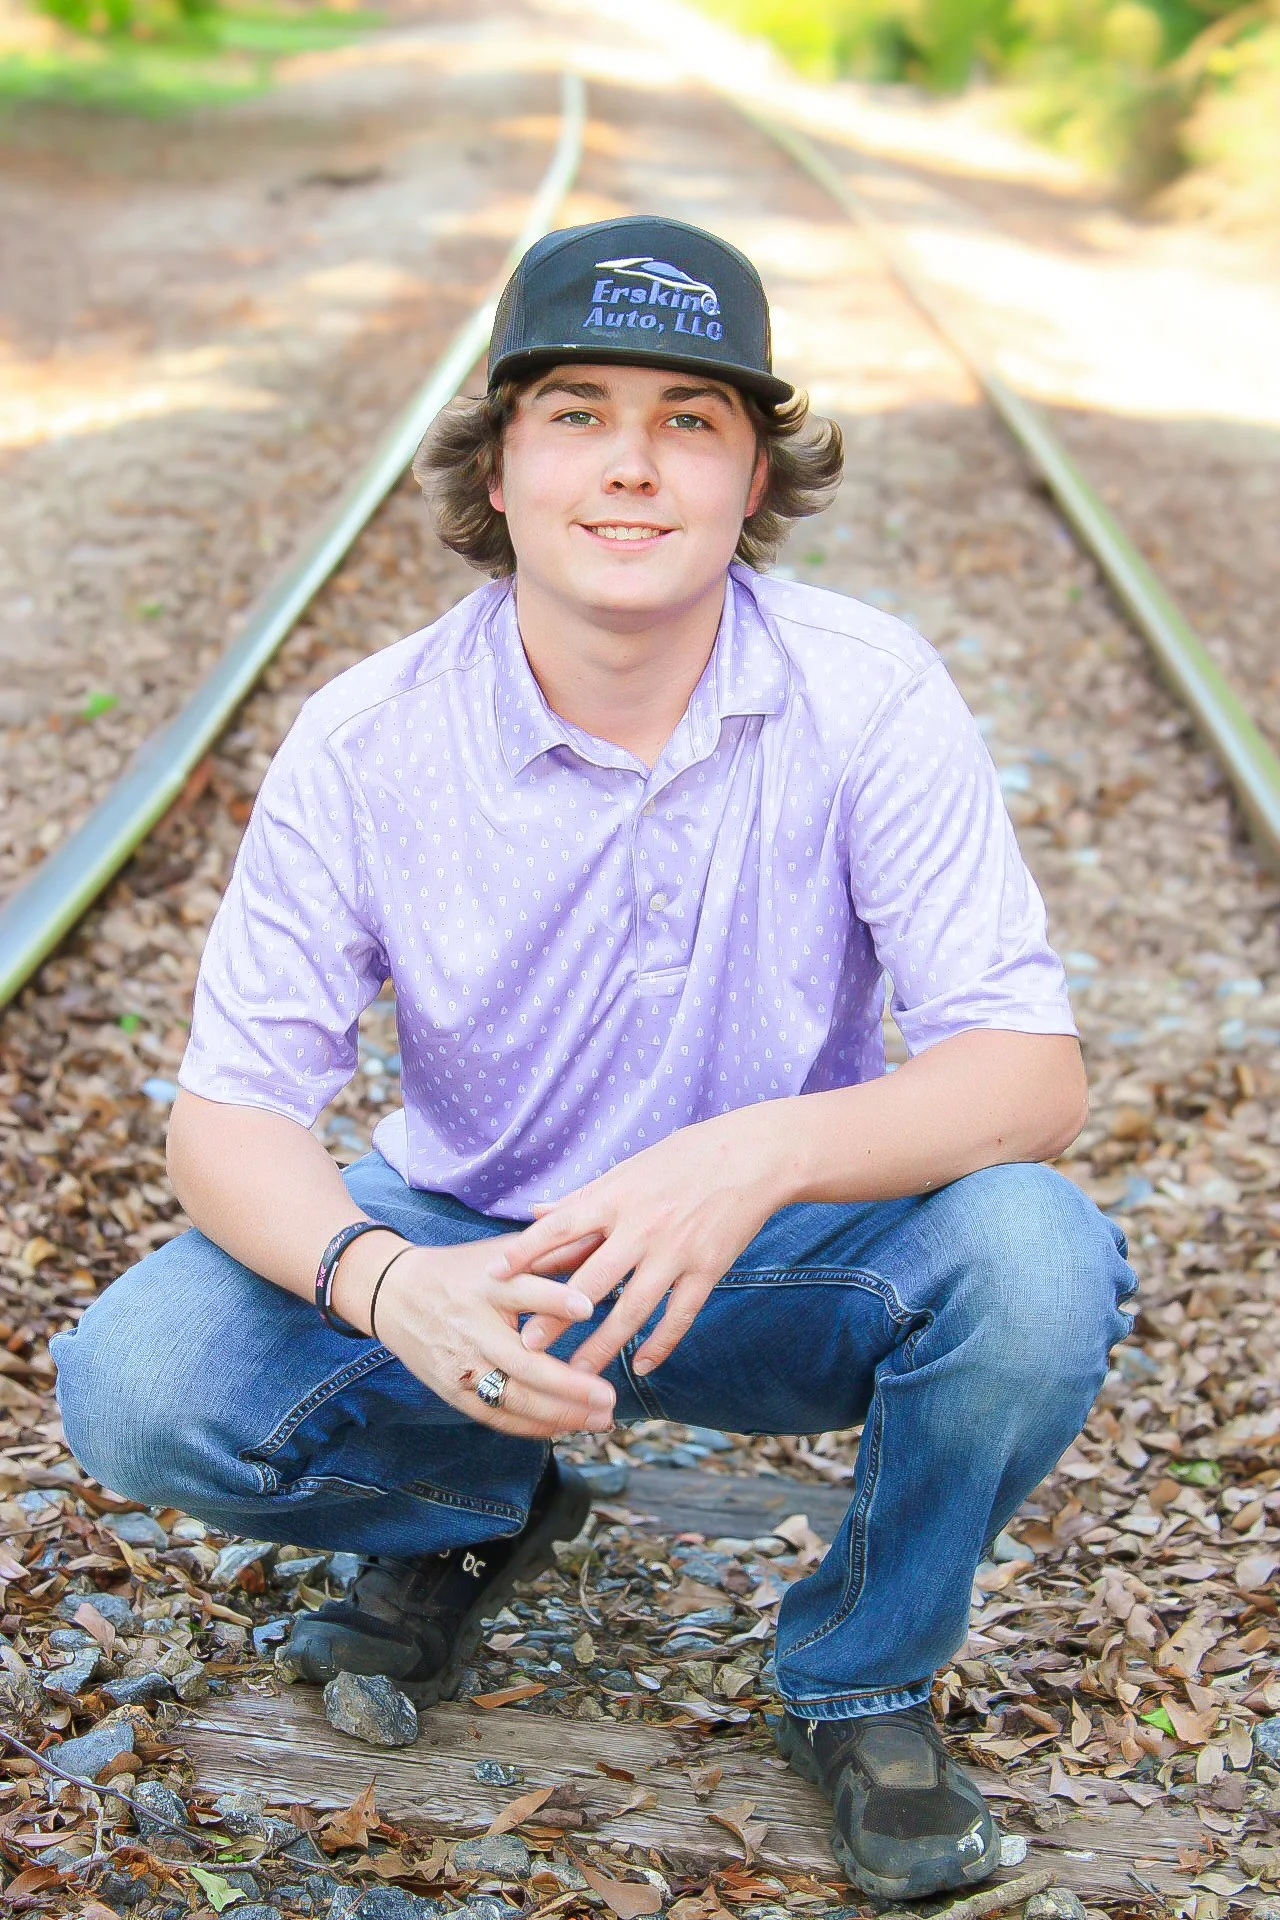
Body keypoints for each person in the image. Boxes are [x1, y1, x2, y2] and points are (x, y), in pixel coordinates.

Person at [53, 215, 1136, 1903]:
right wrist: (386, 1284)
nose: (630, 468)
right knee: (140, 1380)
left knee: (1041, 1262)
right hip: (483, 1251)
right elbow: (229, 1115)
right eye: (576, 412)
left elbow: (1027, 1067)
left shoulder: (867, 693)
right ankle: (478, 1496)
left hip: (771, 1267)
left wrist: (755, 1153)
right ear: (496, 470)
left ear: (754, 476)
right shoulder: (367, 738)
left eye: (689, 420)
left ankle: (860, 1674)